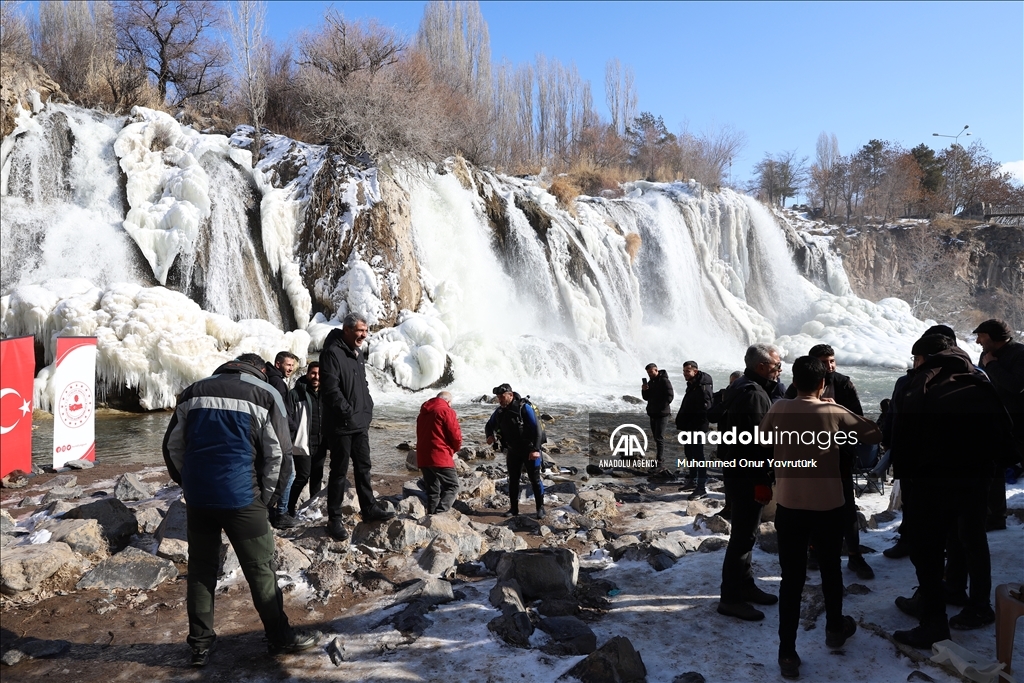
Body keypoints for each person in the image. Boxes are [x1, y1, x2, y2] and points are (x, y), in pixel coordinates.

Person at [162, 353, 316, 666]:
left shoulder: (193, 391)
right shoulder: (265, 393)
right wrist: (268, 499)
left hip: (200, 499)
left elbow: (172, 447)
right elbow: (280, 456)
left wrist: (188, 482)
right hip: (244, 498)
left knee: (201, 571)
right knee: (261, 570)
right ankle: (279, 638)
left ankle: (200, 646)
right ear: (261, 370)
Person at [760, 356, 882, 679]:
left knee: (792, 580)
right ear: (823, 384)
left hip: (790, 506)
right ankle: (834, 630)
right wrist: (836, 407)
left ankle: (787, 653)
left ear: (794, 382)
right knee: (830, 571)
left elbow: (762, 439)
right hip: (829, 508)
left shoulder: (778, 408)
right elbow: (873, 434)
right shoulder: (831, 410)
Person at [891, 334, 1014, 648]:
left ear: (923, 357)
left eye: (914, 358)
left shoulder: (920, 384)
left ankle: (933, 621)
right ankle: (975, 603)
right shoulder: (977, 377)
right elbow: (1004, 430)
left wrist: (907, 482)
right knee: (971, 539)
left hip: (932, 484)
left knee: (927, 551)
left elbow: (901, 438)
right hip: (976, 481)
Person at [785, 343, 873, 580]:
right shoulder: (797, 388)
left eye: (832, 360)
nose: (830, 366)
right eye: (824, 363)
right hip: (806, 459)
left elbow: (859, 420)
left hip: (840, 457)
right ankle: (814, 551)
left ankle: (855, 555)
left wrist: (837, 413)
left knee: (846, 506)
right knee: (810, 506)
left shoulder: (843, 383)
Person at [715, 343, 782, 622]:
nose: (780, 370)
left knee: (746, 534)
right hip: (747, 476)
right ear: (762, 366)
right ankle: (730, 599)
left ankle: (745, 585)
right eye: (777, 366)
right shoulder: (754, 395)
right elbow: (756, 445)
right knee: (742, 538)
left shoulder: (741, 385)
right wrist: (763, 480)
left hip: (736, 471)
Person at [320, 312, 394, 542]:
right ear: (348, 330)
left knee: (364, 468)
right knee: (339, 472)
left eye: (366, 330)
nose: (364, 335)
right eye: (360, 330)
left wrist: (367, 408)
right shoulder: (332, 352)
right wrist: (349, 413)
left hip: (359, 422)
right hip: (341, 424)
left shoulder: (356, 353)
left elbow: (362, 384)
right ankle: (334, 518)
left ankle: (369, 508)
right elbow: (331, 390)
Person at [974, 318, 1024, 531]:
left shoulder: (1020, 354)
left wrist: (992, 365)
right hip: (993, 423)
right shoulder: (986, 355)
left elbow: (1016, 386)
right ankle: (995, 517)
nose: (978, 341)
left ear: (994, 338)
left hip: (1019, 423)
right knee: (992, 471)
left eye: (982, 336)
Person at [485, 383, 546, 519]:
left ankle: (540, 508)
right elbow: (489, 425)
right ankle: (514, 509)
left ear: (510, 395)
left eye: (502, 397)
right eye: (498, 397)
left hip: (530, 450)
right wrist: (489, 435)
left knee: (534, 479)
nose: (499, 400)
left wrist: (536, 449)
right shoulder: (500, 412)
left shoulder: (523, 408)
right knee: (513, 480)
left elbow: (538, 430)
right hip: (513, 451)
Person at [266, 351, 301, 529]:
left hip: (271, 433)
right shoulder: (277, 382)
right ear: (278, 364)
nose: (291, 368)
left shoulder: (270, 378)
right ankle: (281, 513)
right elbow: (280, 410)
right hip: (280, 433)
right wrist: (292, 426)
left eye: (292, 365)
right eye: (288, 365)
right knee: (289, 473)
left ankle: (271, 510)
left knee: (274, 472)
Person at [286, 362, 323, 518]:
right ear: (307, 374)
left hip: (320, 443)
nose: (316, 377)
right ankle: (289, 508)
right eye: (313, 373)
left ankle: (313, 509)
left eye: (319, 374)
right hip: (302, 442)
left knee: (317, 478)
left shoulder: (326, 393)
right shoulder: (296, 393)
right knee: (302, 476)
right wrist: (292, 436)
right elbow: (286, 416)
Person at [416, 391, 463, 514]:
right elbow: (455, 435)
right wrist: (455, 449)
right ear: (448, 401)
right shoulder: (446, 411)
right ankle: (440, 514)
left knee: (432, 490)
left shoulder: (423, 413)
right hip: (440, 455)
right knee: (452, 486)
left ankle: (431, 516)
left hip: (423, 456)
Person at [676, 360, 713, 499]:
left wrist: (695, 427)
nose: (685, 374)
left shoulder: (703, 388)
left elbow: (705, 411)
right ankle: (693, 480)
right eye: (684, 371)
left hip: (697, 428)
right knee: (689, 453)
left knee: (699, 456)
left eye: (687, 371)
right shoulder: (693, 384)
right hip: (689, 426)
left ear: (695, 371)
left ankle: (701, 487)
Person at [641, 363, 674, 469]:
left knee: (659, 437)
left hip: (662, 414)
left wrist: (661, 407)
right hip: (653, 413)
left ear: (656, 370)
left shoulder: (664, 381)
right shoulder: (651, 382)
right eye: (648, 372)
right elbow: (646, 398)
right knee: (656, 437)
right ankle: (659, 457)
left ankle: (660, 459)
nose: (649, 374)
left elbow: (670, 396)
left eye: (651, 372)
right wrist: (644, 390)